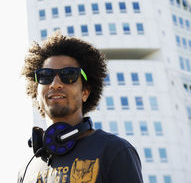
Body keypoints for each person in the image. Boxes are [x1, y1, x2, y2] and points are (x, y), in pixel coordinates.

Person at [18, 32, 143, 183]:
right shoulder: (26, 169)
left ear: (85, 92)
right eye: (45, 75)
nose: (55, 83)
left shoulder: (115, 151)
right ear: (36, 91)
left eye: (69, 75)